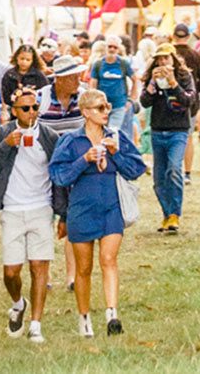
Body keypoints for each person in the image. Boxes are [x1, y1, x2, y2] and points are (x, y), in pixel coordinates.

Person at [49, 89, 146, 338]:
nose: (106, 112)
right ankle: (84, 318)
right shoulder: (71, 141)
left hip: (111, 206)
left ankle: (112, 314)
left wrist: (116, 153)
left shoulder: (116, 136)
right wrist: (84, 160)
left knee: (109, 259)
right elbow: (59, 176)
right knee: (83, 268)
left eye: (107, 106)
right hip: (81, 209)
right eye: (100, 108)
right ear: (85, 113)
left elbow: (137, 168)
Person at [0, 87, 64, 344]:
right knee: (11, 272)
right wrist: (7, 146)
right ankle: (18, 303)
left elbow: (60, 176)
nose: (31, 113)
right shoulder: (4, 133)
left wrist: (63, 214)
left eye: (34, 108)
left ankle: (36, 325)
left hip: (41, 208)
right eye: (25, 108)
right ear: (14, 111)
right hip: (12, 208)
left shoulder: (49, 136)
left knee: (39, 266)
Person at [138, 45, 195, 233]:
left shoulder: (185, 76)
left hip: (178, 131)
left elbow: (188, 100)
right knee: (159, 178)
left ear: (173, 59)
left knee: (174, 169)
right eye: (159, 59)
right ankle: (167, 214)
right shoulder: (153, 78)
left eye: (166, 58)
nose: (163, 62)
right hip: (158, 130)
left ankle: (174, 215)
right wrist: (153, 83)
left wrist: (173, 83)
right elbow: (144, 101)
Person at [171, 24, 200, 185]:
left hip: (168, 102)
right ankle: (187, 173)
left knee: (171, 137)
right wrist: (191, 92)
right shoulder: (195, 55)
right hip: (190, 104)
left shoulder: (167, 54)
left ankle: (174, 170)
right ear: (188, 37)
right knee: (187, 138)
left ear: (173, 36)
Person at [89, 39, 137, 138]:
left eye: (115, 47)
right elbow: (93, 84)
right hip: (102, 106)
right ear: (105, 48)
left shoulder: (123, 63)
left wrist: (131, 99)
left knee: (112, 132)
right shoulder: (98, 64)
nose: (112, 49)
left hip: (118, 105)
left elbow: (135, 80)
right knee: (100, 133)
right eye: (110, 46)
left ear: (118, 49)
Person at [39, 54, 87, 133]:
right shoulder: (42, 96)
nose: (78, 83)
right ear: (59, 80)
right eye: (73, 78)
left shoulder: (83, 96)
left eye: (78, 77)